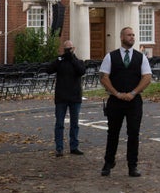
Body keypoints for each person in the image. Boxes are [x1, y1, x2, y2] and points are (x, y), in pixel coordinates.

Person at [99, 27, 152, 177]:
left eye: (133, 35)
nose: (132, 37)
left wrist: (133, 93)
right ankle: (108, 162)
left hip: (134, 102)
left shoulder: (140, 57)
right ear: (121, 37)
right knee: (113, 133)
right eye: (129, 35)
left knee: (133, 133)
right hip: (115, 102)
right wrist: (116, 93)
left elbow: (147, 77)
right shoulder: (111, 56)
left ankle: (132, 165)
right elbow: (104, 77)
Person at [46, 40, 86, 157]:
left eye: (70, 49)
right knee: (59, 123)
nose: (68, 51)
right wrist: (60, 59)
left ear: (74, 49)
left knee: (75, 123)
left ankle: (74, 146)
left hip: (75, 97)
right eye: (66, 49)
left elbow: (81, 71)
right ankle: (59, 148)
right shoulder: (60, 61)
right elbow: (48, 70)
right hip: (61, 97)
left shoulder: (78, 61)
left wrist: (72, 57)